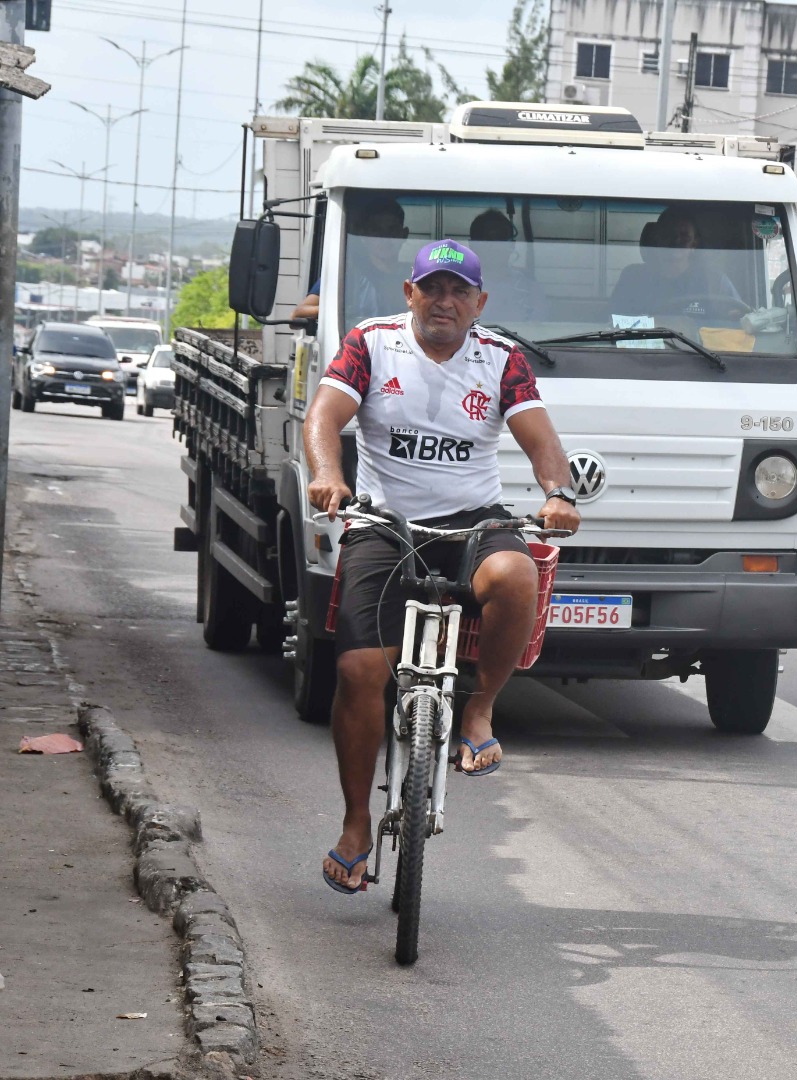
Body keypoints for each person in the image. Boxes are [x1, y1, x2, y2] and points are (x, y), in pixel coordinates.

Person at [303, 238, 582, 894]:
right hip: (385, 522)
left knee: (518, 575)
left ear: (479, 302)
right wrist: (327, 473)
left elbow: (543, 442)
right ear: (411, 294)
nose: (445, 302)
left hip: (473, 521)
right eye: (433, 288)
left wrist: (558, 494)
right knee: (358, 670)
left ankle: (479, 711)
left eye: (459, 291)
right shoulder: (371, 343)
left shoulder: (502, 359)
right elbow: (325, 413)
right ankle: (354, 825)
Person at [289, 194, 411, 325]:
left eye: (391, 230)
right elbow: (297, 315)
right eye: (376, 231)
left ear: (403, 234)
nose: (385, 238)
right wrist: (341, 312)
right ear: (364, 236)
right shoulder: (347, 275)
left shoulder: (415, 278)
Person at [609, 206, 745, 318]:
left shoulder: (715, 282)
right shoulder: (633, 278)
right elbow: (612, 320)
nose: (676, 241)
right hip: (639, 349)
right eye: (668, 234)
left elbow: (740, 323)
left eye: (684, 235)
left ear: (694, 243)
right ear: (656, 239)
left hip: (701, 351)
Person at [466, 209, 544, 323]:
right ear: (472, 245)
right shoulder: (460, 288)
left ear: (512, 245)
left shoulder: (529, 289)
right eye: (487, 241)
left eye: (500, 240)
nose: (494, 247)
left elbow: (542, 330)